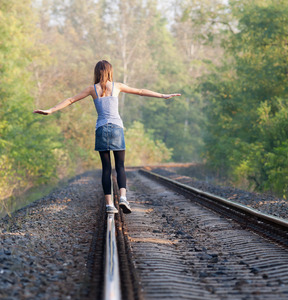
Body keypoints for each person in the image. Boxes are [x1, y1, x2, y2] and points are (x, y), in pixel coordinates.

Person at [34, 60, 181, 214]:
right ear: (110, 71)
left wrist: (51, 110)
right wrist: (163, 95)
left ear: (96, 72)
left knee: (106, 168)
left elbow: (71, 100)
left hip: (101, 129)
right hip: (117, 129)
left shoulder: (92, 89)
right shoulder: (117, 86)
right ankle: (123, 197)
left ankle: (109, 205)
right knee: (120, 166)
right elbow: (140, 91)